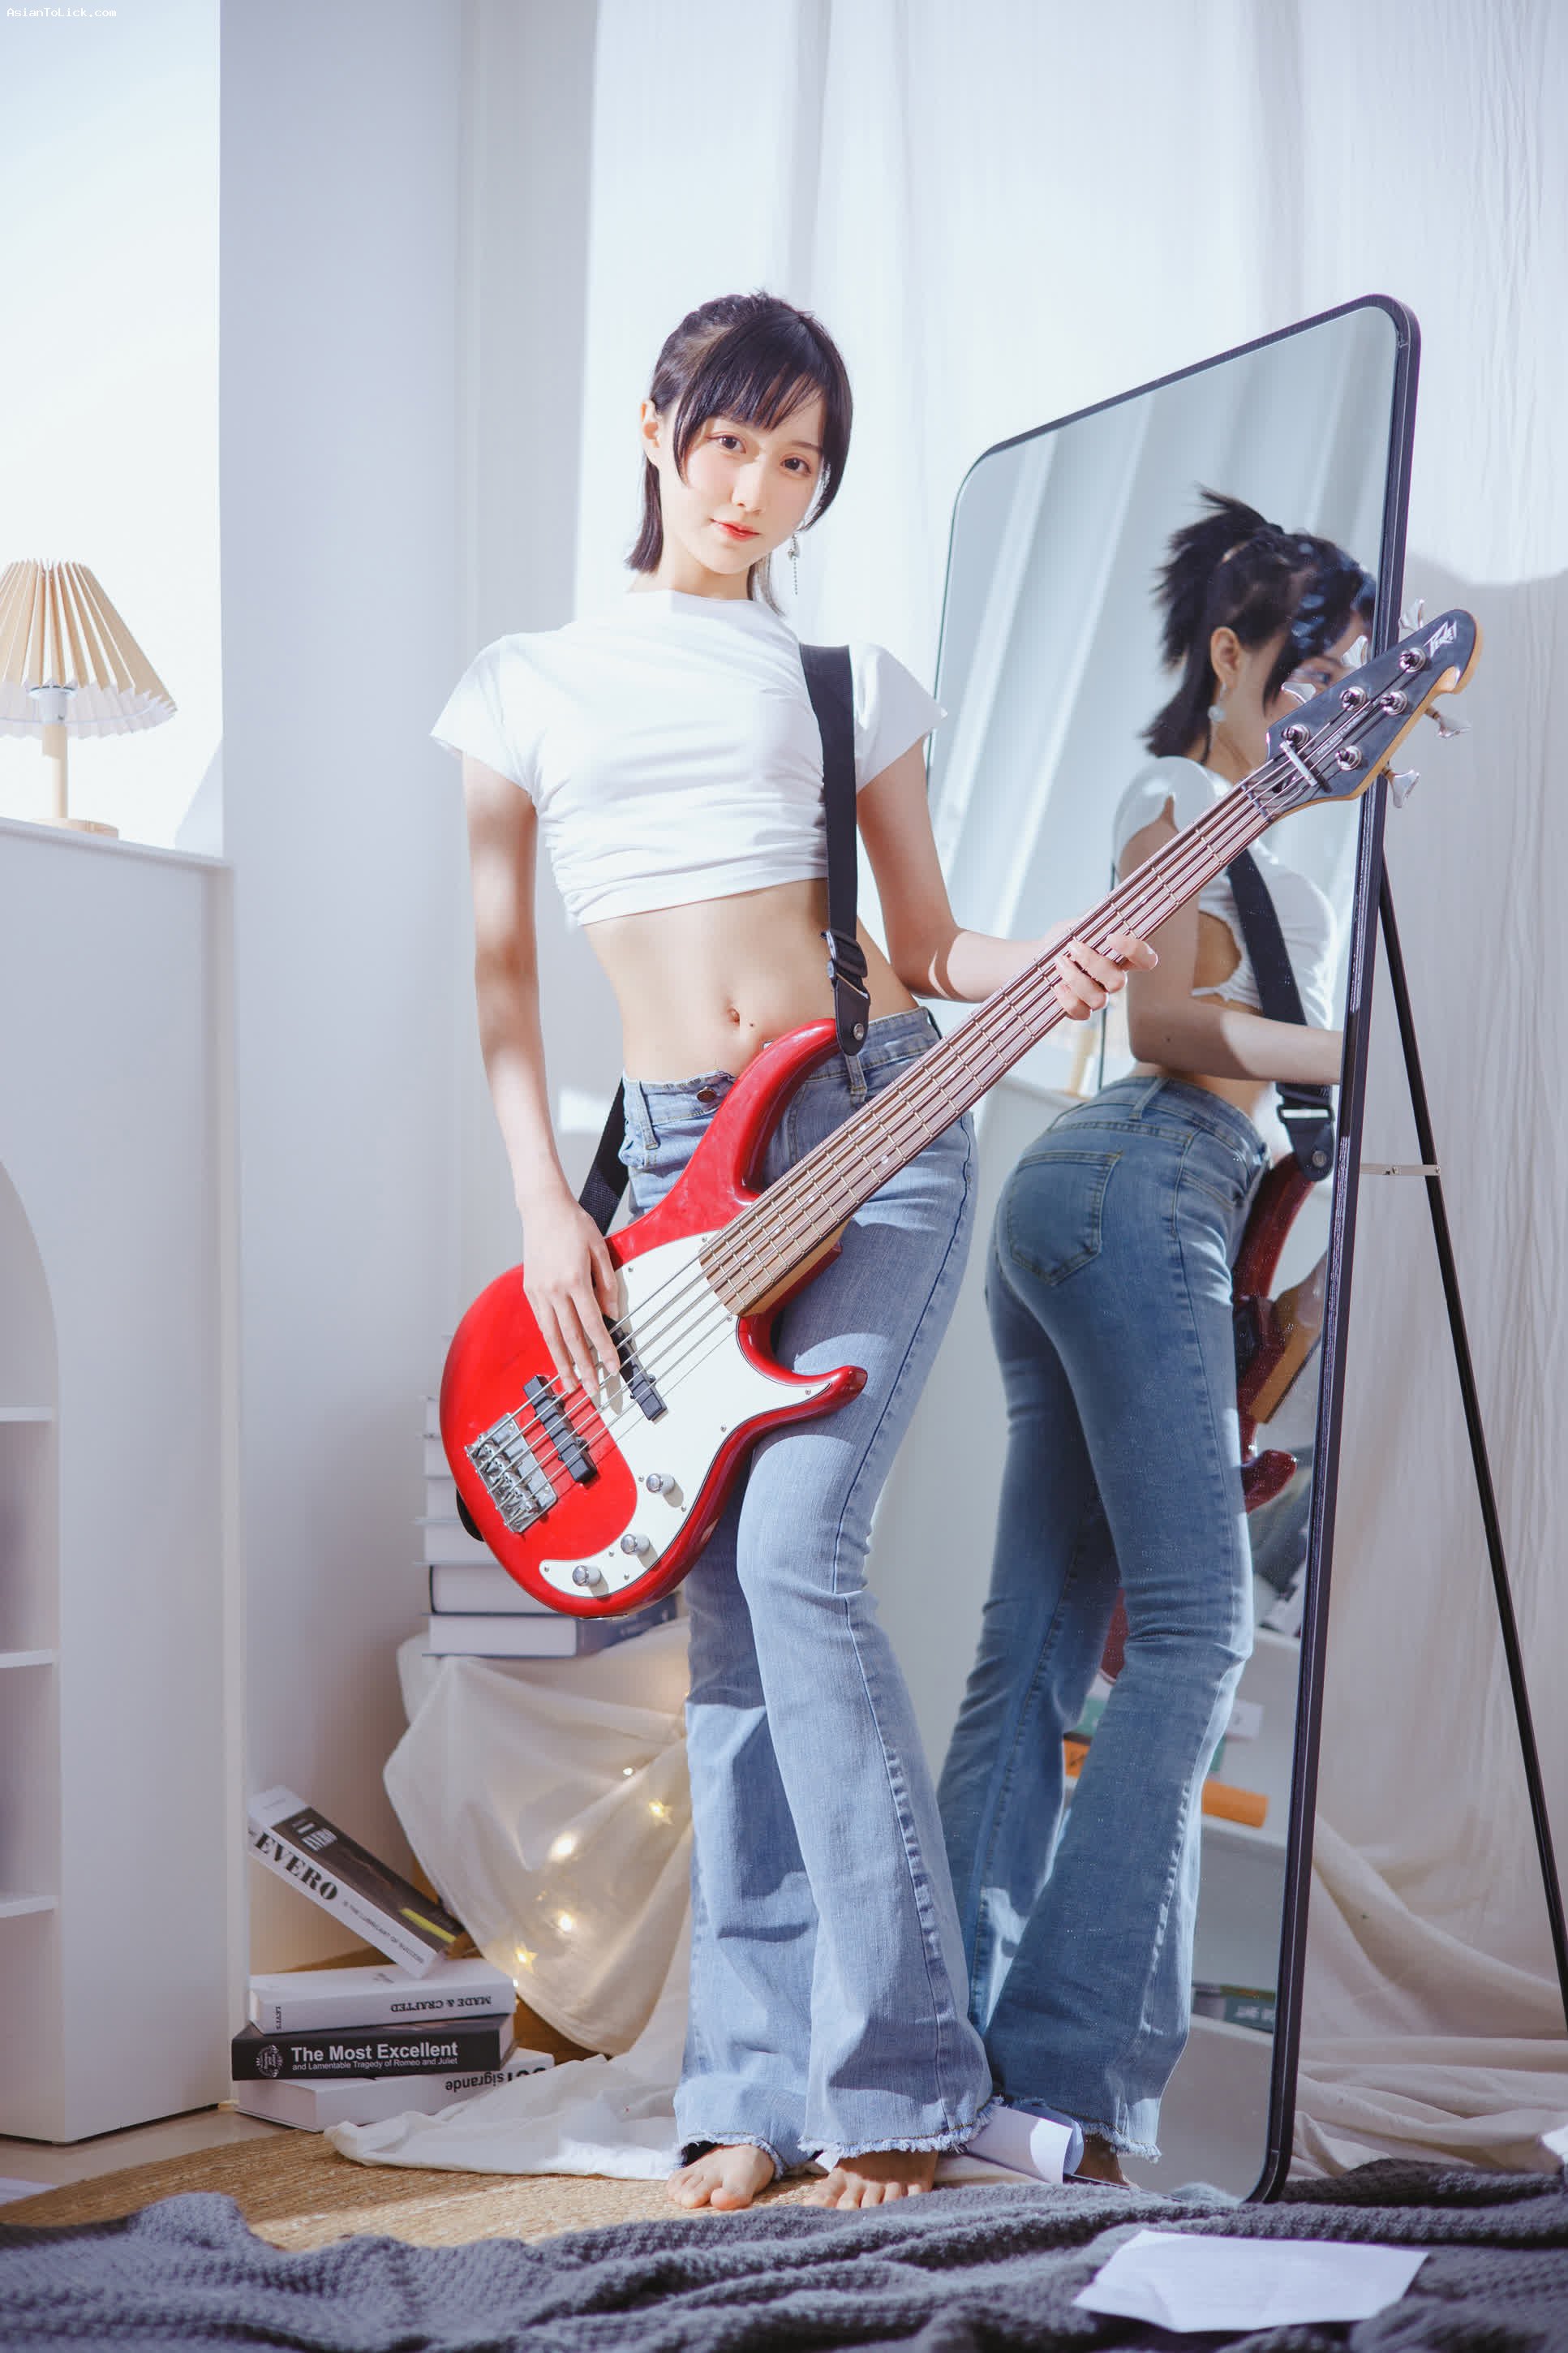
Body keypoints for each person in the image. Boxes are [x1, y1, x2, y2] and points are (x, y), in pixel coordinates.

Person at [432, 291, 1153, 2212]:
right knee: (732, 1626)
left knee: (791, 1554)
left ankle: (899, 2078)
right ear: (657, 426)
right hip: (671, 1174)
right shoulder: (520, 686)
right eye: (732, 442)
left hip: (874, 1127)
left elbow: (927, 946)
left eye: (801, 460)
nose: (758, 488)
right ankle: (747, 2087)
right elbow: (500, 987)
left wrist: (1052, 957)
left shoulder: (845, 681)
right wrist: (546, 1208)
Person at [938, 492, 1375, 2183]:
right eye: (1308, 674)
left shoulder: (1275, 843)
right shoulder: (1187, 803)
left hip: (1119, 1193)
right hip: (1145, 1175)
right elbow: (1166, 1019)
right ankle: (1061, 2087)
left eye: (1350, 683)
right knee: (1191, 1636)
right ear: (1226, 652)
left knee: (1039, 1645)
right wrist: (1351, 1052)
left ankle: (953, 2073)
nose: (1333, 708)